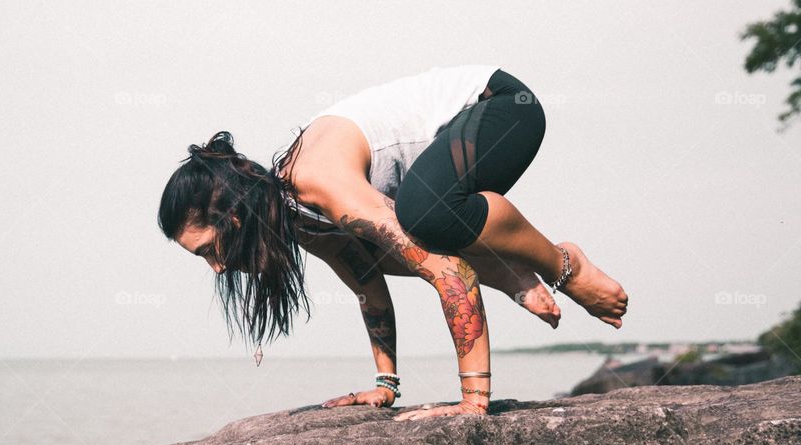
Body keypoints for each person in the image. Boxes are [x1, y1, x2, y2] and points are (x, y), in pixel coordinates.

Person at [158, 64, 628, 421]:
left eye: (208, 251)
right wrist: (386, 384)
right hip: (455, 149)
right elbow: (368, 286)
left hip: (502, 106)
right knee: (392, 249)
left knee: (425, 216)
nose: (218, 269)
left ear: (235, 218)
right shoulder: (298, 218)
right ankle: (508, 272)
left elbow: (449, 272)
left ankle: (564, 263)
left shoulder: (318, 184)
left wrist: (473, 402)